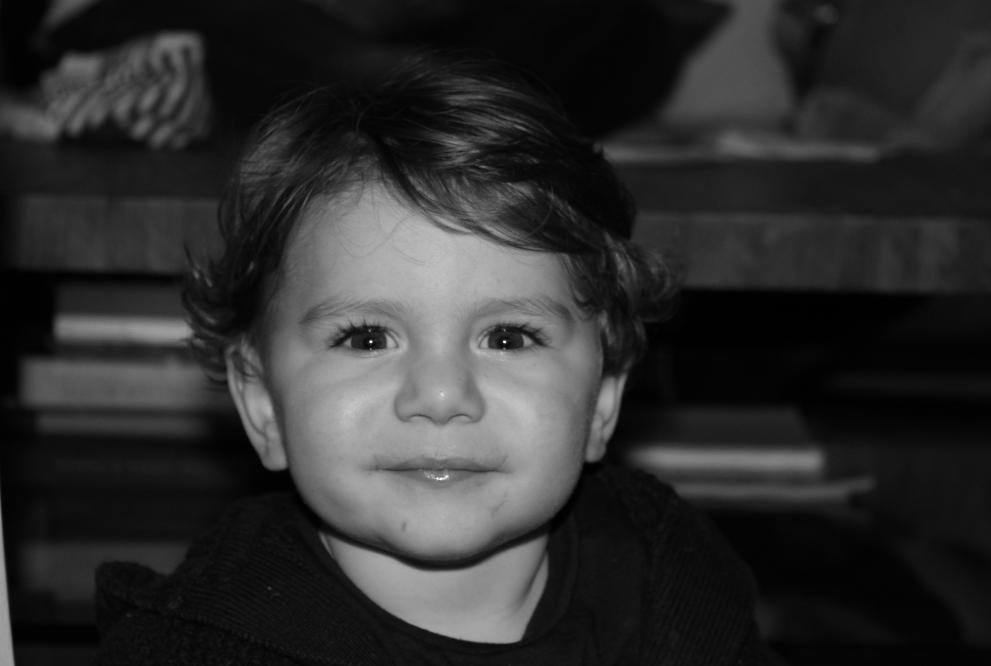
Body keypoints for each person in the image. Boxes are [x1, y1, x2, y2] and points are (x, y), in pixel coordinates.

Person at [94, 55, 783, 665]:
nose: (442, 395)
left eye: (508, 337)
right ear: (262, 402)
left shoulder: (672, 581)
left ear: (603, 396)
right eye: (367, 338)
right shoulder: (197, 643)